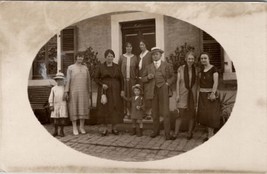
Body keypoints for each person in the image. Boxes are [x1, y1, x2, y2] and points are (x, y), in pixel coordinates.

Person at [141, 47, 176, 140]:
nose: (155, 56)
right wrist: (148, 77)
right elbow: (142, 79)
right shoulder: (148, 67)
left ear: (160, 55)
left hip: (163, 89)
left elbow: (173, 76)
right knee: (155, 112)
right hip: (153, 91)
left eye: (157, 54)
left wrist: (168, 83)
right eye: (153, 54)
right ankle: (155, 131)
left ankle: (167, 133)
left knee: (165, 112)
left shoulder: (167, 65)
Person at [95, 49, 125, 136]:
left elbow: (121, 79)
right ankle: (104, 129)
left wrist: (122, 90)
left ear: (113, 57)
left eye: (112, 56)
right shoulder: (100, 67)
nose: (110, 58)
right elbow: (96, 78)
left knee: (115, 108)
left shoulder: (117, 66)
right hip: (105, 90)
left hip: (116, 90)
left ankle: (114, 128)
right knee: (104, 108)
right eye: (108, 56)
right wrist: (102, 84)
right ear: (105, 57)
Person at [64, 52, 91, 136]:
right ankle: (74, 127)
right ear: (76, 58)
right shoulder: (70, 68)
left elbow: (88, 81)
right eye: (79, 57)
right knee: (74, 108)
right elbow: (68, 80)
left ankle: (82, 127)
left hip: (83, 91)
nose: (80, 59)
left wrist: (89, 91)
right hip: (74, 91)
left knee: (83, 108)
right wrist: (66, 91)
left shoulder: (85, 68)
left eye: (82, 57)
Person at [174, 51, 198, 140]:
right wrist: (177, 95)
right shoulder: (181, 68)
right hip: (182, 94)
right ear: (185, 59)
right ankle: (176, 133)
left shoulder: (196, 69)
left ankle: (189, 133)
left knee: (191, 115)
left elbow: (198, 84)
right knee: (180, 114)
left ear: (194, 60)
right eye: (189, 58)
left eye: (192, 59)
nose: (190, 60)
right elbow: (177, 82)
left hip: (192, 95)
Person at [197, 52, 220, 142]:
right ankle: (209, 134)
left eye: (205, 58)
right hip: (202, 96)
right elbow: (200, 84)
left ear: (209, 59)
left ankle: (211, 136)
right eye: (202, 58)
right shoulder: (201, 70)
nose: (203, 60)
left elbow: (216, 82)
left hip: (211, 96)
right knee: (205, 115)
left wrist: (213, 93)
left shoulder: (214, 69)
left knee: (211, 115)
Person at [119, 42, 139, 119]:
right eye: (127, 47)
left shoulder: (135, 57)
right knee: (125, 95)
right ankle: (126, 112)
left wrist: (136, 78)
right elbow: (119, 68)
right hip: (124, 80)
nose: (129, 48)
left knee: (132, 95)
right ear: (125, 48)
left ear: (132, 48)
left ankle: (133, 112)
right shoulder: (122, 57)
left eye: (130, 47)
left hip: (132, 80)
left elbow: (137, 69)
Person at [48, 72, 68, 137]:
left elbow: (67, 97)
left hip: (63, 105)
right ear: (56, 80)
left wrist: (67, 96)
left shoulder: (65, 88)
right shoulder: (53, 88)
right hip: (56, 105)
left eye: (61, 79)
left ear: (63, 80)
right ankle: (55, 131)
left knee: (62, 119)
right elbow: (51, 97)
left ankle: (61, 131)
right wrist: (51, 105)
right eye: (58, 80)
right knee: (56, 119)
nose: (59, 81)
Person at [138, 40, 153, 120]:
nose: (141, 46)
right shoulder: (139, 55)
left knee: (148, 95)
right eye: (140, 45)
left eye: (142, 44)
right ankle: (143, 112)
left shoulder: (149, 54)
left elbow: (152, 65)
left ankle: (149, 113)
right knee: (142, 95)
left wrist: (149, 75)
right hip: (141, 78)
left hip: (148, 78)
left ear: (145, 45)